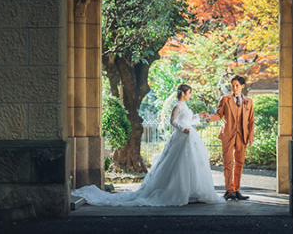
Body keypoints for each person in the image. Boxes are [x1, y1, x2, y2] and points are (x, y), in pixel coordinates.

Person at [71, 84, 224, 206]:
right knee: (178, 164)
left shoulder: (185, 107)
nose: (190, 95)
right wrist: (182, 128)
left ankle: (192, 191)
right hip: (182, 136)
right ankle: (179, 191)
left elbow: (188, 120)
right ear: (183, 93)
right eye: (189, 92)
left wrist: (199, 116)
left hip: (189, 135)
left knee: (192, 163)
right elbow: (173, 121)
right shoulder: (177, 106)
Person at [203, 75, 255, 201]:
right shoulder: (225, 99)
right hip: (228, 136)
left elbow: (251, 121)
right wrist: (210, 117)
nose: (234, 88)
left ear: (242, 86)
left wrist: (250, 136)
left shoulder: (249, 101)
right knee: (227, 163)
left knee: (240, 163)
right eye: (232, 85)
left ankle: (236, 190)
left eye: (237, 85)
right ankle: (229, 190)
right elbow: (219, 115)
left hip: (242, 136)